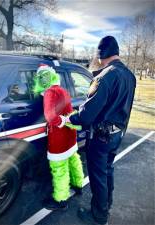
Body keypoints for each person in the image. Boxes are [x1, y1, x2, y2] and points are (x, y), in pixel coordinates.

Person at [60, 36, 136, 224]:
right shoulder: (129, 75)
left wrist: (68, 118)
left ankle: (99, 216)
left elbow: (86, 115)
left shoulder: (105, 76)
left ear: (102, 55)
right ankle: (106, 204)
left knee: (98, 176)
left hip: (101, 137)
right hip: (117, 134)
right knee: (107, 171)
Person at [33, 64, 84, 210]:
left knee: (59, 168)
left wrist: (61, 121)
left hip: (59, 137)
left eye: (43, 77)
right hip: (70, 134)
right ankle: (78, 184)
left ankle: (61, 200)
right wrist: (66, 121)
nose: (42, 80)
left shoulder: (50, 92)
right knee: (74, 159)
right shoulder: (62, 89)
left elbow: (50, 116)